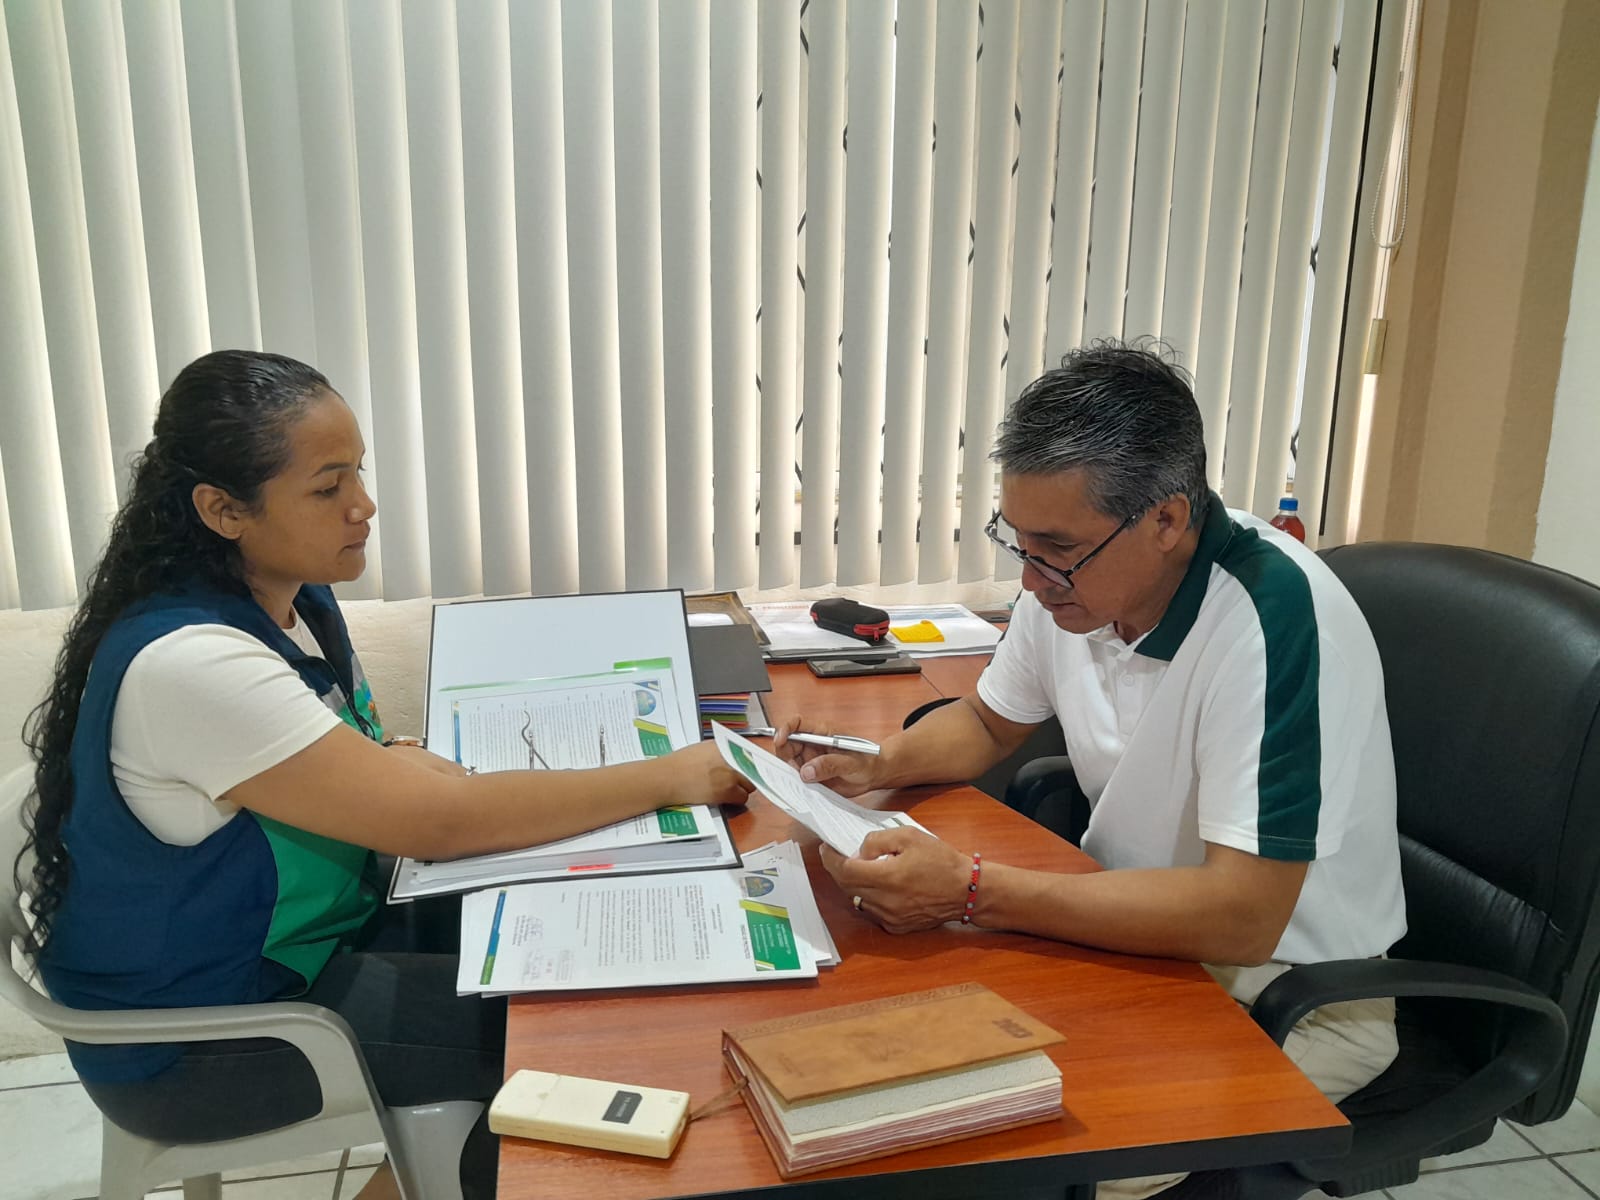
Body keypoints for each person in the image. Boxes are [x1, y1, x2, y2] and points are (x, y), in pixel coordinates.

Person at [17, 349, 752, 1199]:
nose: (363, 505)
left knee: (592, 940)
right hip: (210, 1037)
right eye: (327, 487)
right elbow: (439, 824)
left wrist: (385, 765)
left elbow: (354, 760)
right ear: (222, 509)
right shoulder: (193, 664)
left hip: (308, 948)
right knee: (574, 1041)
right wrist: (670, 776)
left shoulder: (292, 598)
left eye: (358, 472)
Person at [775, 341, 1405, 1200]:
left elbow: (1244, 918)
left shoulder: (1274, 621)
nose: (1032, 580)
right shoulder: (1074, 582)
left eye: (1054, 549)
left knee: (1032, 1166)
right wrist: (873, 761)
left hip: (1286, 990)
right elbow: (987, 722)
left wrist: (969, 890)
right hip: (1136, 931)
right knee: (885, 1074)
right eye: (1019, 543)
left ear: (1166, 520)